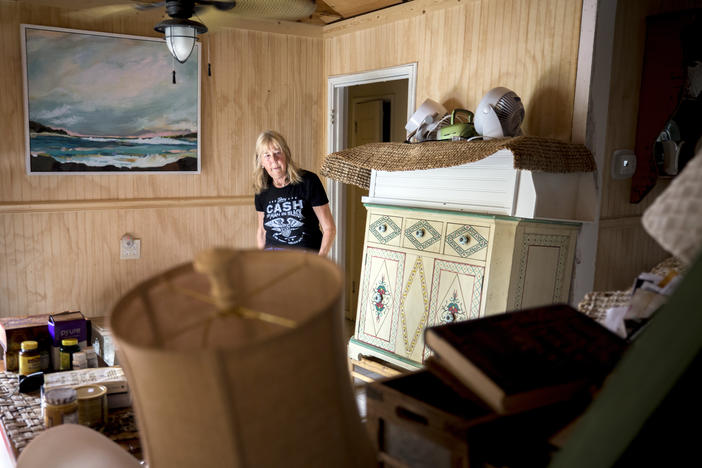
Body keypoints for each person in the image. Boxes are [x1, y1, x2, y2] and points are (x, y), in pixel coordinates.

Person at [253, 130, 336, 256]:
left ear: (286, 154)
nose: (274, 160)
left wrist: (320, 259)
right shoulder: (262, 189)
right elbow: (262, 232)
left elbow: (329, 228)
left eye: (277, 153)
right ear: (261, 162)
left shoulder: (308, 181)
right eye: (267, 155)